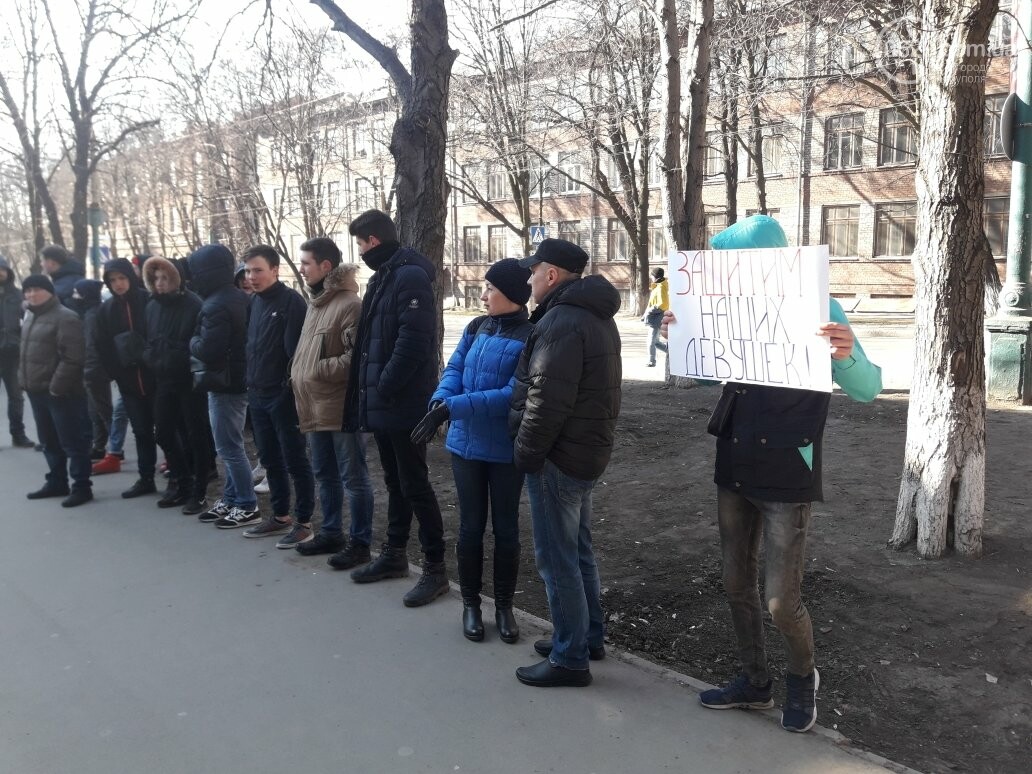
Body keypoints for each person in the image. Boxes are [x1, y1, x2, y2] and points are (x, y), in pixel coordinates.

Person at [660, 214, 882, 732]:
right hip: (735, 465)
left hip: (787, 471)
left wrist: (845, 355)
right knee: (735, 582)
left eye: (738, 265)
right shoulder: (727, 308)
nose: (729, 276)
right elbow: (714, 367)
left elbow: (869, 388)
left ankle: (802, 679)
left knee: (782, 601)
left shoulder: (819, 308)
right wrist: (680, 332)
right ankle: (753, 682)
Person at [509, 238, 622, 687]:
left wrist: (526, 453)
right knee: (577, 551)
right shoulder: (592, 314)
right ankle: (585, 635)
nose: (529, 279)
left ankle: (570, 657)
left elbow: (545, 401)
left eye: (533, 271)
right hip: (585, 451)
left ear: (551, 275)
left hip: (559, 456)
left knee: (559, 559)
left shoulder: (561, 320)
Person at [413, 258, 533, 642]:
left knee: (507, 531)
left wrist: (454, 407)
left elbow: (513, 394)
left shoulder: (531, 336)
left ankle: (503, 607)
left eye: (490, 290)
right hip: (465, 446)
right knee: (469, 529)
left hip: (504, 449)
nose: (483, 295)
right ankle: (470, 605)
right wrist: (440, 399)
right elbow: (454, 368)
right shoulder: (476, 326)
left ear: (512, 295)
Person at [345, 209, 449, 608]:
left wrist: (385, 384)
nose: (360, 250)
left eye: (360, 243)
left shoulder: (408, 275)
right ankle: (394, 555)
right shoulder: (386, 275)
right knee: (396, 481)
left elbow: (415, 340)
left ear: (371, 241)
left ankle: (435, 568)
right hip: (386, 402)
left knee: (415, 484)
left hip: (402, 402)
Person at [288, 238, 375, 567]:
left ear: (326, 266)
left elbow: (357, 358)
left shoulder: (350, 303)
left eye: (306, 263)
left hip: (340, 407)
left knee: (353, 476)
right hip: (314, 405)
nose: (301, 268)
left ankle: (360, 542)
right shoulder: (316, 302)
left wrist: (315, 370)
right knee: (324, 473)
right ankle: (330, 532)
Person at [237, 245, 314, 546]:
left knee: (295, 458)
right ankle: (280, 516)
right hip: (256, 393)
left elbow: (297, 354)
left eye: (257, 270)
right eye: (247, 270)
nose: (251, 276)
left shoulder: (291, 302)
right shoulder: (254, 302)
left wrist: (286, 390)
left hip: (282, 397)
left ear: (274, 270)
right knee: (269, 458)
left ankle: (304, 521)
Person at [188, 244, 254, 522]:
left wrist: (191, 341)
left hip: (224, 383)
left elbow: (208, 349)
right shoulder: (241, 298)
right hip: (238, 380)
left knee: (229, 447)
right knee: (232, 444)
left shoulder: (214, 305)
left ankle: (247, 504)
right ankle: (230, 498)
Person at [142, 256, 212, 511]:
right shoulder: (152, 306)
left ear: (177, 278)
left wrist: (174, 353)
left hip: (189, 380)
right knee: (162, 432)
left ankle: (199, 490)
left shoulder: (193, 304)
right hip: (163, 379)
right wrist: (150, 356)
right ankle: (180, 480)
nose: (160, 283)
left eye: (165, 278)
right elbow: (149, 338)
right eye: (156, 278)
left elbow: (197, 342)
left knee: (196, 436)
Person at [18, 274, 93, 507]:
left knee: (72, 441)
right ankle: (57, 481)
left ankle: (81, 486)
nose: (31, 294)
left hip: (62, 393)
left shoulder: (65, 317)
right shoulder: (31, 315)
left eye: (36, 290)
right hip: (36, 391)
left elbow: (73, 358)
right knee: (49, 440)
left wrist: (56, 388)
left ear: (49, 291)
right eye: (27, 291)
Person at [94, 258, 158, 499]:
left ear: (130, 277)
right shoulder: (106, 310)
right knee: (141, 431)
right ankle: (146, 477)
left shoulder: (147, 300)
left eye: (121, 278)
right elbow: (102, 346)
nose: (118, 284)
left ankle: (178, 474)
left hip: (156, 378)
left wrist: (154, 363)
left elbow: (158, 333)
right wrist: (117, 374)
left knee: (166, 429)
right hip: (129, 383)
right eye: (112, 280)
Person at [69, 279, 111, 460]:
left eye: (77, 293)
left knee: (103, 410)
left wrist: (89, 371)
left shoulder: (93, 316)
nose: (74, 297)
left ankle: (115, 448)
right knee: (95, 410)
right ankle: (100, 446)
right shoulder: (89, 314)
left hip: (94, 370)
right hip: (93, 369)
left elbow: (92, 347)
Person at [0, 255, 34, 448]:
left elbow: (29, 319)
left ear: (8, 272)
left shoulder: (19, 295)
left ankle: (18, 434)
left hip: (14, 352)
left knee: (16, 396)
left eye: (2, 270)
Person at [642, 266, 668, 367]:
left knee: (651, 341)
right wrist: (645, 314)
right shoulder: (658, 286)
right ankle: (671, 352)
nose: (651, 277)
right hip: (655, 318)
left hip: (657, 318)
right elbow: (652, 303)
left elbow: (663, 304)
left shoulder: (661, 287)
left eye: (651, 275)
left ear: (655, 276)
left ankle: (651, 361)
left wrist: (650, 311)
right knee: (655, 342)